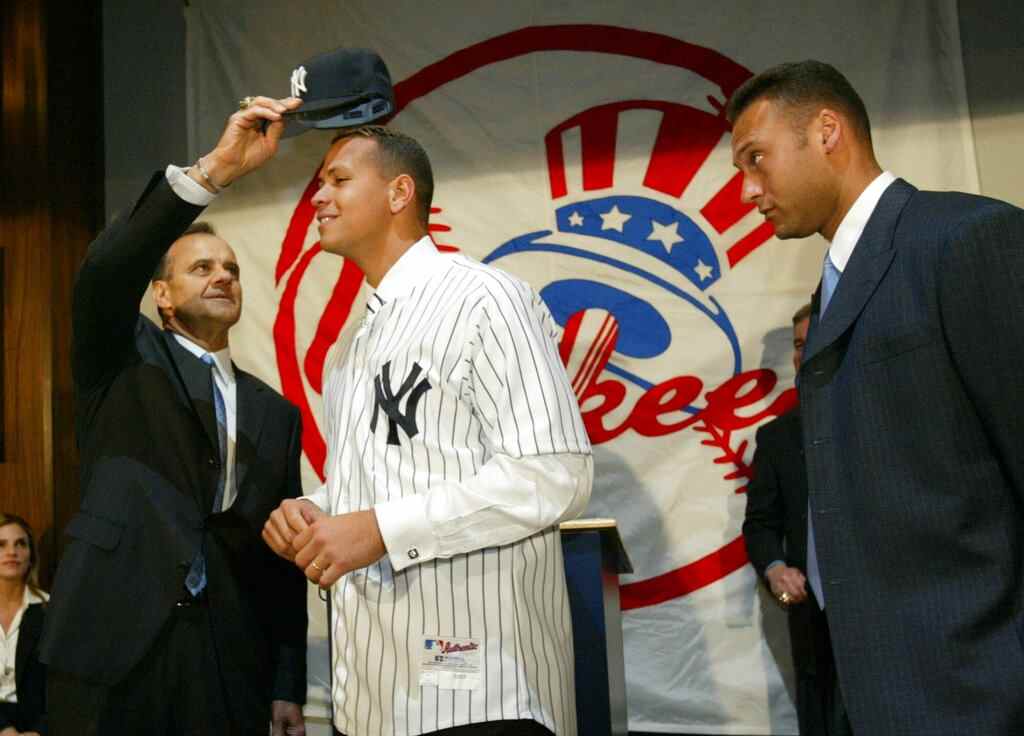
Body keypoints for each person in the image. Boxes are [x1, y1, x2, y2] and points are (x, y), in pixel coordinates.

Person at [263, 125, 593, 736]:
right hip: (375, 697)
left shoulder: (486, 298)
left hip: (485, 690)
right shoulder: (350, 346)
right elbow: (377, 481)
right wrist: (315, 510)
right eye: (318, 185)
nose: (318, 198)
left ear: (398, 193)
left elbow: (554, 473)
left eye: (338, 180)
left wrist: (383, 530)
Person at [728, 60, 1024, 734]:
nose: (747, 190)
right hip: (875, 684)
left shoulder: (965, 238)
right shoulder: (836, 284)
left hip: (979, 687)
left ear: (826, 132)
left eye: (756, 159)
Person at [41, 96, 308, 736]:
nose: (223, 277)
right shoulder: (123, 358)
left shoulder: (276, 413)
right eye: (202, 267)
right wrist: (213, 170)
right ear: (161, 295)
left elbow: (282, 559)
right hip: (112, 649)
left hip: (229, 661)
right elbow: (105, 272)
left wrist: (285, 683)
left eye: (232, 270)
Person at [744, 303, 836, 736]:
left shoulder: (880, 422)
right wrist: (776, 568)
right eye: (797, 345)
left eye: (810, 341)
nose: (802, 354)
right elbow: (760, 523)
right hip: (812, 621)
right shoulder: (776, 437)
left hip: (885, 610)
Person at [0, 514, 48, 736]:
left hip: (35, 726)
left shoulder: (51, 610)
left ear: (31, 556)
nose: (12, 552)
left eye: (21, 544)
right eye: (1, 545)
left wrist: (40, 731)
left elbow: (65, 687)